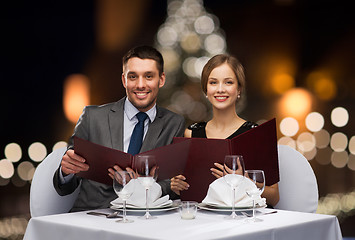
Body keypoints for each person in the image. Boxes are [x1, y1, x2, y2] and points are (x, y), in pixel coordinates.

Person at [53, 45, 185, 211]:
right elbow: (64, 186)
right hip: (93, 218)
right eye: (133, 77)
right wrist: (65, 172)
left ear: (162, 79)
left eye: (149, 76)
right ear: (124, 80)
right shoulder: (92, 117)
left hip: (145, 219)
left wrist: (142, 185)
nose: (141, 85)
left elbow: (172, 185)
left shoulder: (174, 123)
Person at [170, 54, 279, 207]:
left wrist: (243, 181)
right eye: (213, 82)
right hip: (203, 221)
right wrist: (178, 186)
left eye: (228, 82)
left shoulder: (256, 135)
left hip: (243, 222)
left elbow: (274, 197)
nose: (220, 89)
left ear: (239, 89)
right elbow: (191, 192)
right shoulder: (191, 133)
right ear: (206, 90)